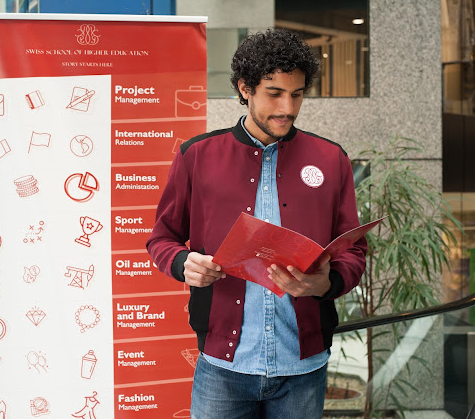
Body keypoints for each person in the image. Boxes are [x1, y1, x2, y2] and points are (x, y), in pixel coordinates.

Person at [146, 28, 367, 419]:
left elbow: (353, 251)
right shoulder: (196, 155)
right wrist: (185, 264)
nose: (288, 108)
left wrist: (327, 283)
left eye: (297, 94)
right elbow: (162, 239)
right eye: (274, 93)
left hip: (303, 366)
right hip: (222, 367)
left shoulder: (332, 160)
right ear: (245, 88)